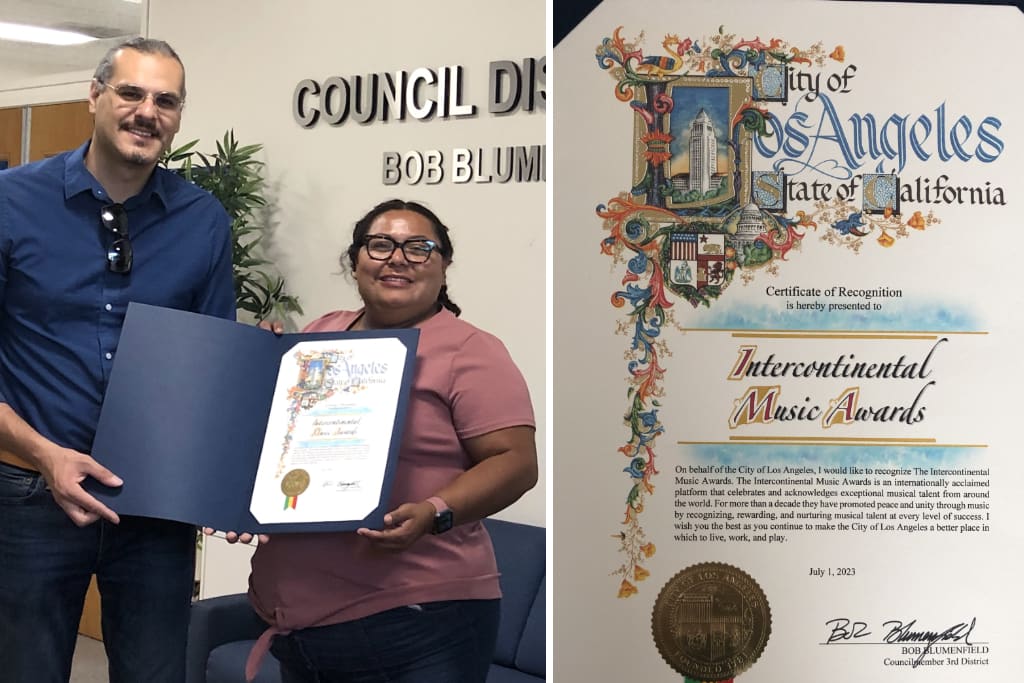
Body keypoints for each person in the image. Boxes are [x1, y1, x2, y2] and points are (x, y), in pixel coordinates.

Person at [0, 38, 235, 683]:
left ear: (179, 116)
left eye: (166, 100)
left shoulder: (202, 219)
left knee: (156, 671)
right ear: (96, 96)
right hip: (28, 493)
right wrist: (46, 455)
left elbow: (214, 363)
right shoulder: (11, 202)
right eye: (131, 93)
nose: (146, 112)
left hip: (155, 500)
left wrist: (230, 484)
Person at [243, 199, 538, 683]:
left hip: (418, 625)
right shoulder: (321, 332)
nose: (397, 258)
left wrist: (434, 511)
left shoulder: (471, 350)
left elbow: (516, 463)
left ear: (443, 266)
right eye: (380, 245)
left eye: (419, 248)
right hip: (301, 626)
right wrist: (257, 358)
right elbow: (281, 438)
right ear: (355, 260)